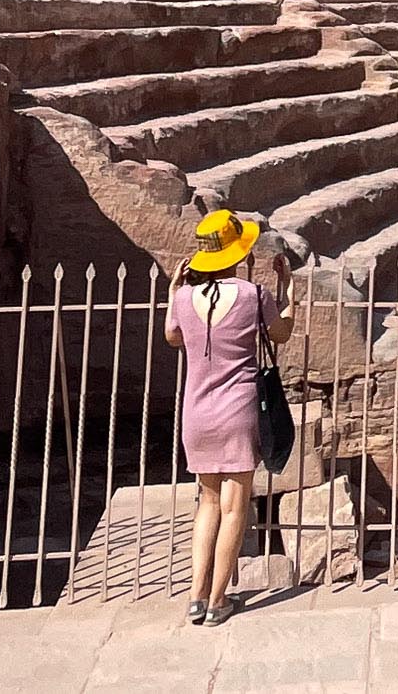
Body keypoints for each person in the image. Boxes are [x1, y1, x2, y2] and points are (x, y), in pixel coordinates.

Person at [163, 208, 295, 625]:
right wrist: (288, 290)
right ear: (238, 251)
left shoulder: (184, 298)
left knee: (208, 502)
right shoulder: (254, 296)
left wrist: (173, 293)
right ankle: (219, 599)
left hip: (196, 413)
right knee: (236, 506)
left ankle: (196, 595)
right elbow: (281, 333)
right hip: (238, 412)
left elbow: (173, 337)